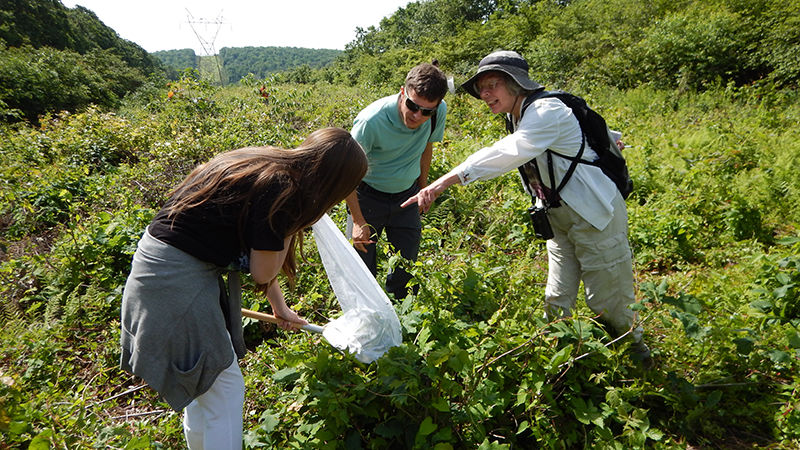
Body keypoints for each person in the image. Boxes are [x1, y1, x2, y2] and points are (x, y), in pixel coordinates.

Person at [119, 127, 368, 449]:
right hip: (173, 281)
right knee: (224, 388)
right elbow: (262, 270)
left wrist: (279, 306)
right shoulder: (284, 192)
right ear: (334, 183)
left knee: (205, 387)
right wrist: (295, 222)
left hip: (162, 269)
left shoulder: (268, 164)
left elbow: (259, 255)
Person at [402, 50, 650, 364]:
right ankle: (557, 357)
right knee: (557, 294)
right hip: (556, 215)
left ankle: (633, 349)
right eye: (481, 88)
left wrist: (443, 182)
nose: (485, 94)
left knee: (607, 295)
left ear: (516, 84)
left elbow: (509, 151)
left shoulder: (545, 110)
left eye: (492, 84)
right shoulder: (517, 114)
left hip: (594, 213)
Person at [346, 62, 448, 300]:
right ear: (403, 92)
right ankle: (365, 320)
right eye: (412, 106)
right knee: (361, 268)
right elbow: (346, 175)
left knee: (406, 267)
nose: (417, 115)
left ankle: (401, 318)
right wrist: (359, 221)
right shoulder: (370, 122)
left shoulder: (438, 111)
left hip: (407, 196)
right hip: (367, 197)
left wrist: (425, 188)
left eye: (426, 111)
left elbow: (426, 148)